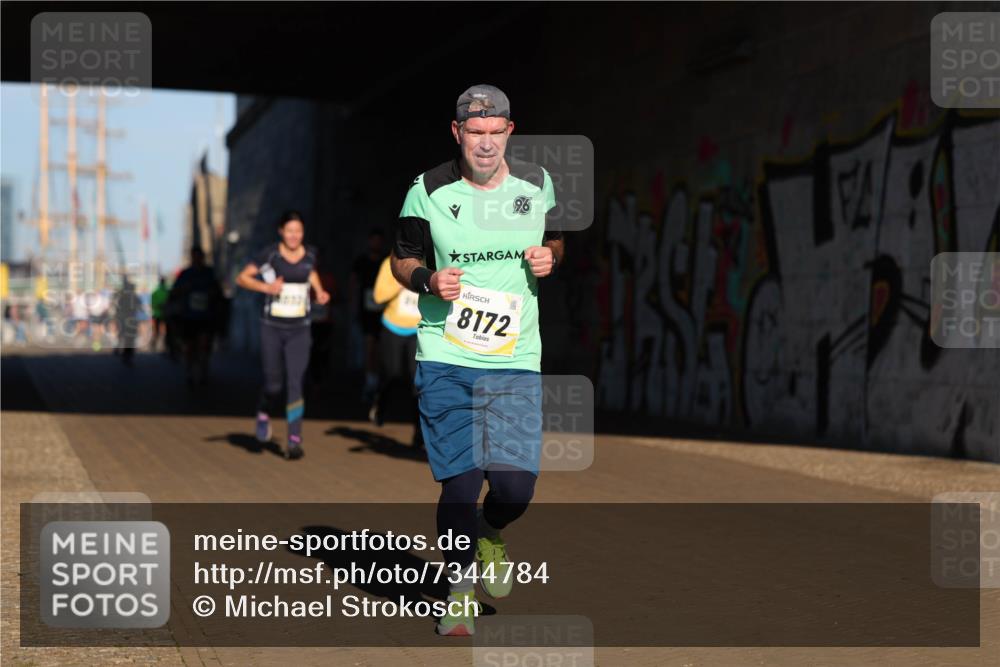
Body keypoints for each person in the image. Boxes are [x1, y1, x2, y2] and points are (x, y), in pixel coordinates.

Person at [390, 84, 563, 636]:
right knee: (460, 485)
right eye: (474, 133)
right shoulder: (427, 190)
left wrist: (548, 257)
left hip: (515, 357)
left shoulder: (537, 184)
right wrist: (427, 279)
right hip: (447, 354)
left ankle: (492, 530)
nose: (484, 144)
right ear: (457, 132)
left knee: (515, 488)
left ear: (509, 131)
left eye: (495, 133)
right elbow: (403, 258)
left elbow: (557, 242)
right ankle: (458, 592)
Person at [236, 210, 330, 460]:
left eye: (298, 231)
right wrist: (267, 287)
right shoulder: (271, 254)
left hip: (300, 328)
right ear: (281, 231)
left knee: (296, 382)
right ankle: (264, 410)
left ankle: (294, 439)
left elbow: (310, 272)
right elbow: (242, 278)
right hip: (272, 328)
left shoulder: (310, 254)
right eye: (289, 231)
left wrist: (319, 291)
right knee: (274, 384)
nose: (294, 236)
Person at [369, 255, 422, 447]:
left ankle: (419, 433)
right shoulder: (390, 262)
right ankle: (380, 405)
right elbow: (378, 296)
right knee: (391, 374)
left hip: (419, 330)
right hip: (393, 327)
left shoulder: (432, 260)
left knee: (418, 383)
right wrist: (402, 281)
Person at [169, 247, 223, 385]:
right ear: (192, 257)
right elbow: (174, 292)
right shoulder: (185, 274)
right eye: (195, 256)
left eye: (200, 256)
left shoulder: (209, 273)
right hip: (189, 317)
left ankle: (203, 372)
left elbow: (218, 292)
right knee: (190, 346)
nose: (197, 259)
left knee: (204, 345)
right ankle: (190, 372)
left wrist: (212, 296)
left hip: (206, 317)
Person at [350, 229, 387, 407]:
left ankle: (377, 380)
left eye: (378, 241)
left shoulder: (387, 262)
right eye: (373, 241)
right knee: (369, 345)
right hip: (366, 311)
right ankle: (369, 382)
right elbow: (354, 284)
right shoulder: (361, 262)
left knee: (380, 348)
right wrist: (353, 307)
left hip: (384, 311)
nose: (376, 245)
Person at [113, 276, 142, 366]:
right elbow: (139, 307)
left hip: (123, 319)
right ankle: (127, 356)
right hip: (130, 319)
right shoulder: (134, 296)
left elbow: (116, 305)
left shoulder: (121, 295)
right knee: (129, 339)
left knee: (123, 335)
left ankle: (120, 350)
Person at [150, 276, 170, 352]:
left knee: (156, 331)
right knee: (166, 332)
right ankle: (165, 347)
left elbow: (152, 304)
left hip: (157, 314)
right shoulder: (168, 292)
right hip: (166, 314)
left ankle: (153, 345)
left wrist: (157, 307)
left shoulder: (155, 292)